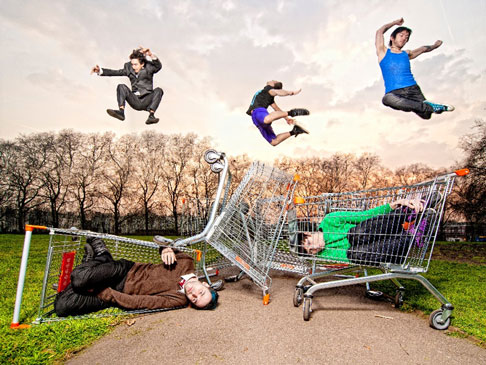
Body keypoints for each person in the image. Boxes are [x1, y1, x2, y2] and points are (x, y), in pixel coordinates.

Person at [54, 237, 219, 317]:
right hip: (126, 271)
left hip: (118, 290)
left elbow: (139, 303)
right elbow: (163, 242)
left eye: (195, 299)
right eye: (201, 292)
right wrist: (166, 249)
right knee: (78, 279)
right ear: (205, 284)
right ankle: (103, 256)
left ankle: (91, 263)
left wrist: (103, 292)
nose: (194, 294)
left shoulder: (178, 299)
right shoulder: (186, 262)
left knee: (62, 306)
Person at [294, 196, 439, 265]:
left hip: (380, 229)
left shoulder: (330, 220)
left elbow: (366, 216)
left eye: (311, 243)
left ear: (308, 234)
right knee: (356, 255)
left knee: (355, 235)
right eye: (312, 251)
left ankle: (408, 211)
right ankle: (414, 236)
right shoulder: (325, 255)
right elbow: (361, 257)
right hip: (390, 248)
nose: (317, 248)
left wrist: (397, 203)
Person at [376, 18, 454, 119]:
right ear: (392, 38)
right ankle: (429, 106)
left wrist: (434, 46)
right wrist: (395, 23)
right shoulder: (383, 52)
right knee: (386, 99)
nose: (404, 38)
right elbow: (379, 32)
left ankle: (428, 107)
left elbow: (423, 49)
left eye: (406, 37)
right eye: (401, 35)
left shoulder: (407, 53)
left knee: (426, 116)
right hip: (394, 93)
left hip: (413, 89)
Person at [91, 47, 163, 125]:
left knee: (159, 90)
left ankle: (151, 116)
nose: (133, 67)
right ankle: (121, 112)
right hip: (135, 100)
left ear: (142, 64)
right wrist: (100, 71)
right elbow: (115, 72)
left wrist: (151, 55)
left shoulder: (149, 67)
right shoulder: (129, 68)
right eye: (132, 64)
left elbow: (158, 66)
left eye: (136, 65)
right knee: (121, 86)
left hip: (147, 100)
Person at [246, 80, 310, 146]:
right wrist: (286, 118)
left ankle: (292, 112)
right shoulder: (268, 97)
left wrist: (290, 93)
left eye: (273, 81)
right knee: (274, 142)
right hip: (257, 120)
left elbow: (277, 92)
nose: (270, 80)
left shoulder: (268, 89)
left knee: (267, 119)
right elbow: (277, 109)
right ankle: (295, 131)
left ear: (273, 84)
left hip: (258, 112)